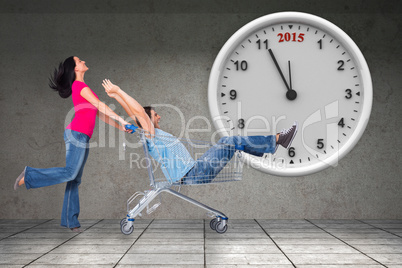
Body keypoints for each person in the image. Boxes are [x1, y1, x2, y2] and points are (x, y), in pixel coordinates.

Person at [13, 57, 132, 232]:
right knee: (70, 173)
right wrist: (122, 119)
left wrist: (121, 127)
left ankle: (71, 221)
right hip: (76, 134)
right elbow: (100, 104)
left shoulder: (85, 88)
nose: (83, 61)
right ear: (75, 69)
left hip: (81, 136)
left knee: (74, 179)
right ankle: (29, 175)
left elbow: (100, 113)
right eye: (79, 60)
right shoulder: (79, 86)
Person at [102, 79, 298, 185]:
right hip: (195, 172)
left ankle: (271, 144)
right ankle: (277, 140)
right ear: (149, 121)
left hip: (195, 170)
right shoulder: (150, 135)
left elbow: (134, 114)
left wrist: (115, 97)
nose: (159, 117)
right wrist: (119, 92)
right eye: (155, 115)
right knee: (230, 140)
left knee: (232, 142)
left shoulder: (149, 134)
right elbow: (138, 113)